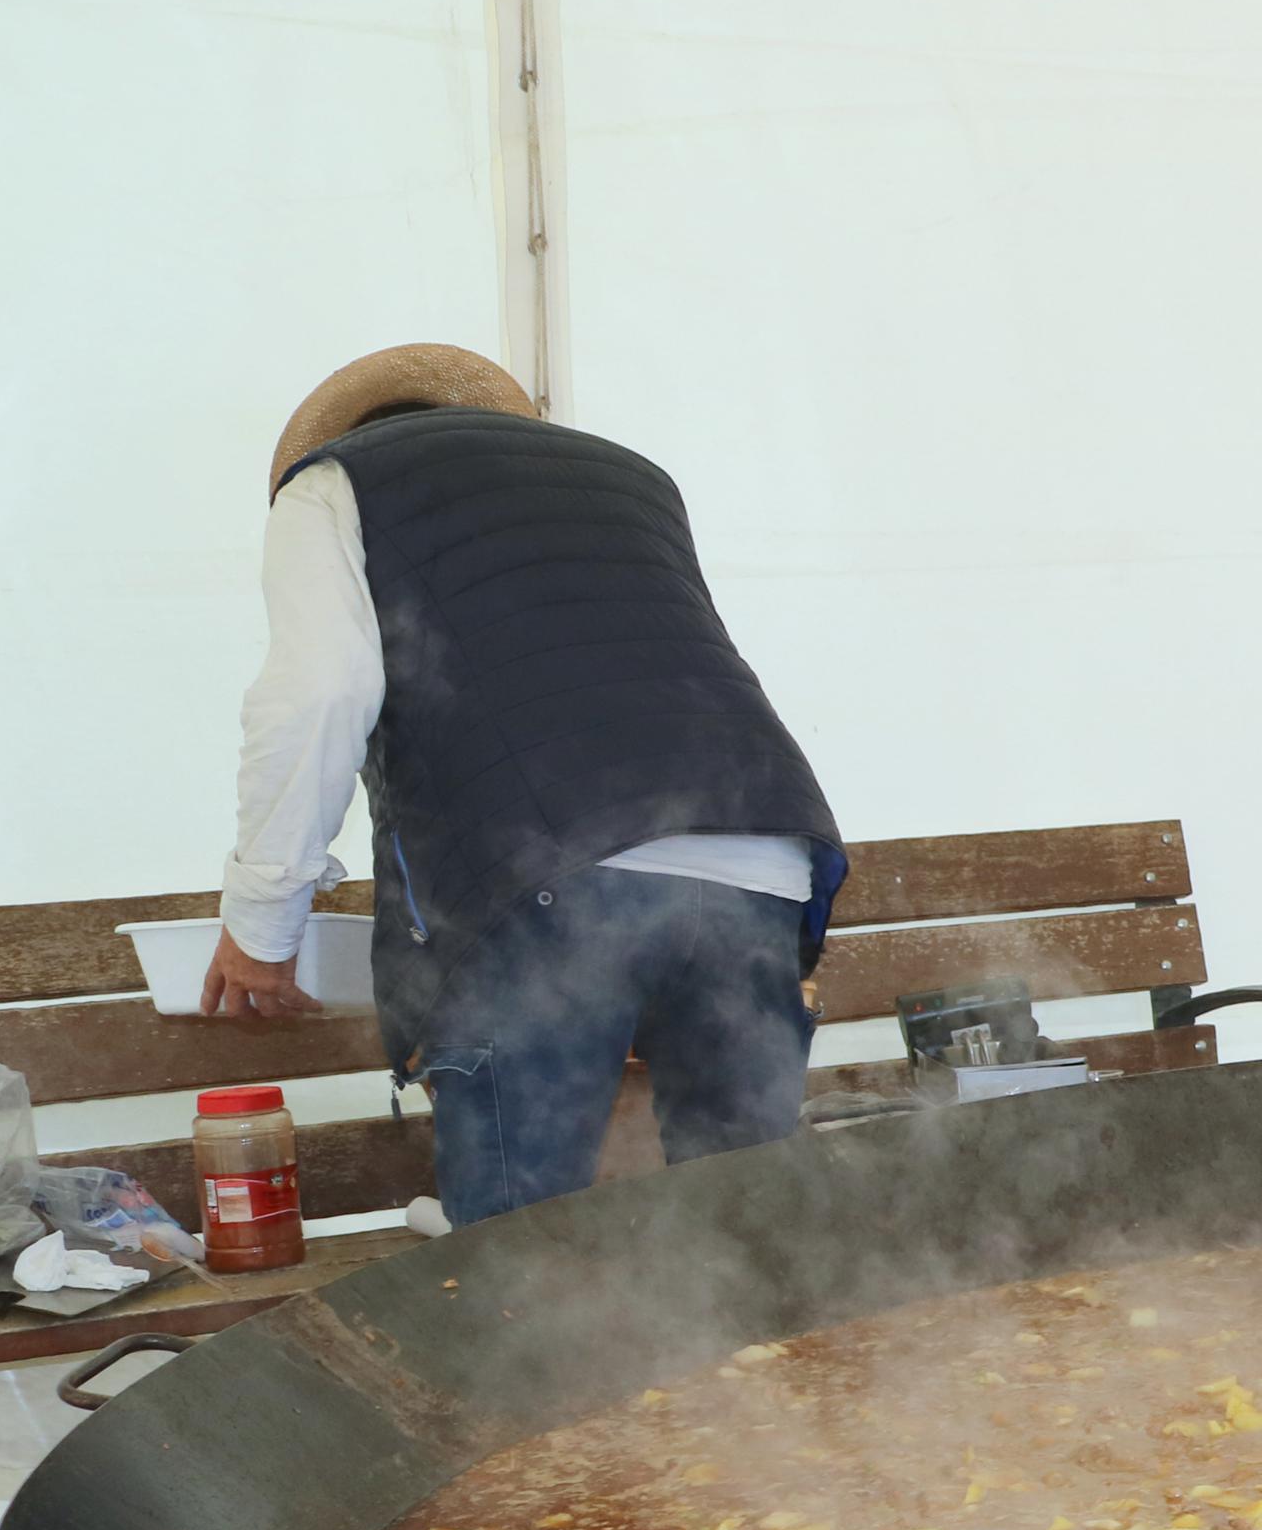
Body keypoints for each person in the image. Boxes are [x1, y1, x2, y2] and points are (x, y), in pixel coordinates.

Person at [209, 345, 846, 1225]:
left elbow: (317, 692)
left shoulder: (327, 486)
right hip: (764, 860)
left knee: (516, 1260)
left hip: (551, 879)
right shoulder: (632, 480)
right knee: (749, 1241)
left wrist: (261, 924)